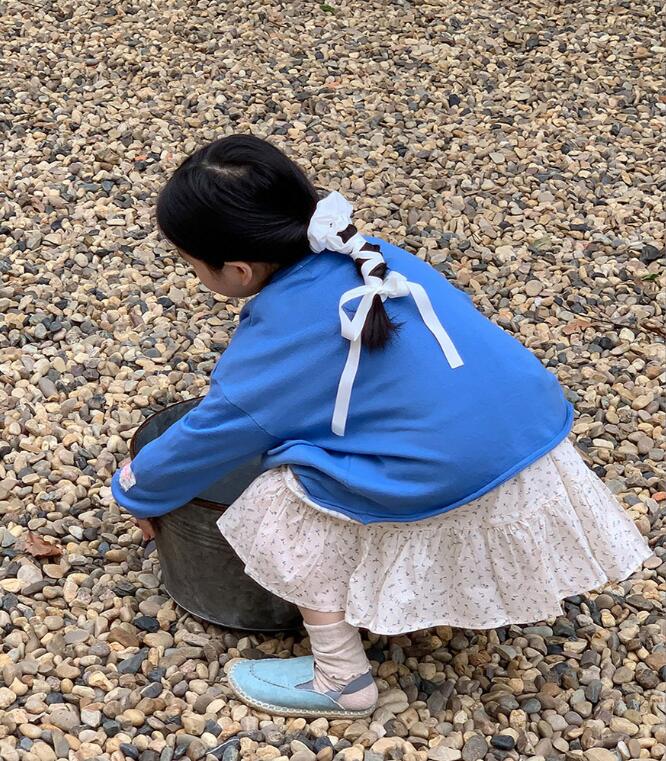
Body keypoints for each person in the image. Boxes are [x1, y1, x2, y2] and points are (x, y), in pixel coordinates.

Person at [111, 134, 651, 718]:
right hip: (530, 435)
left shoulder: (282, 334)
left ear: (238, 270)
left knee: (280, 509)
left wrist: (138, 489)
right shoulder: (368, 255)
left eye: (191, 264)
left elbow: (217, 428)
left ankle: (340, 680)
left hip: (453, 470)